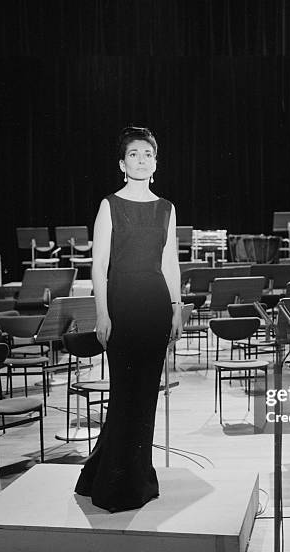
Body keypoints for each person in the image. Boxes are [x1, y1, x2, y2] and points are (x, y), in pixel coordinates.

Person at [74, 126, 183, 512]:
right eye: (134, 154)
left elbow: (170, 261)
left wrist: (177, 306)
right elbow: (98, 264)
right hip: (120, 307)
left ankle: (136, 478)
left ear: (156, 163)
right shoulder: (110, 205)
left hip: (155, 306)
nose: (142, 160)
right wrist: (102, 313)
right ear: (123, 163)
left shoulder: (166, 208)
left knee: (146, 396)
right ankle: (112, 484)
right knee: (124, 395)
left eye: (148, 155)